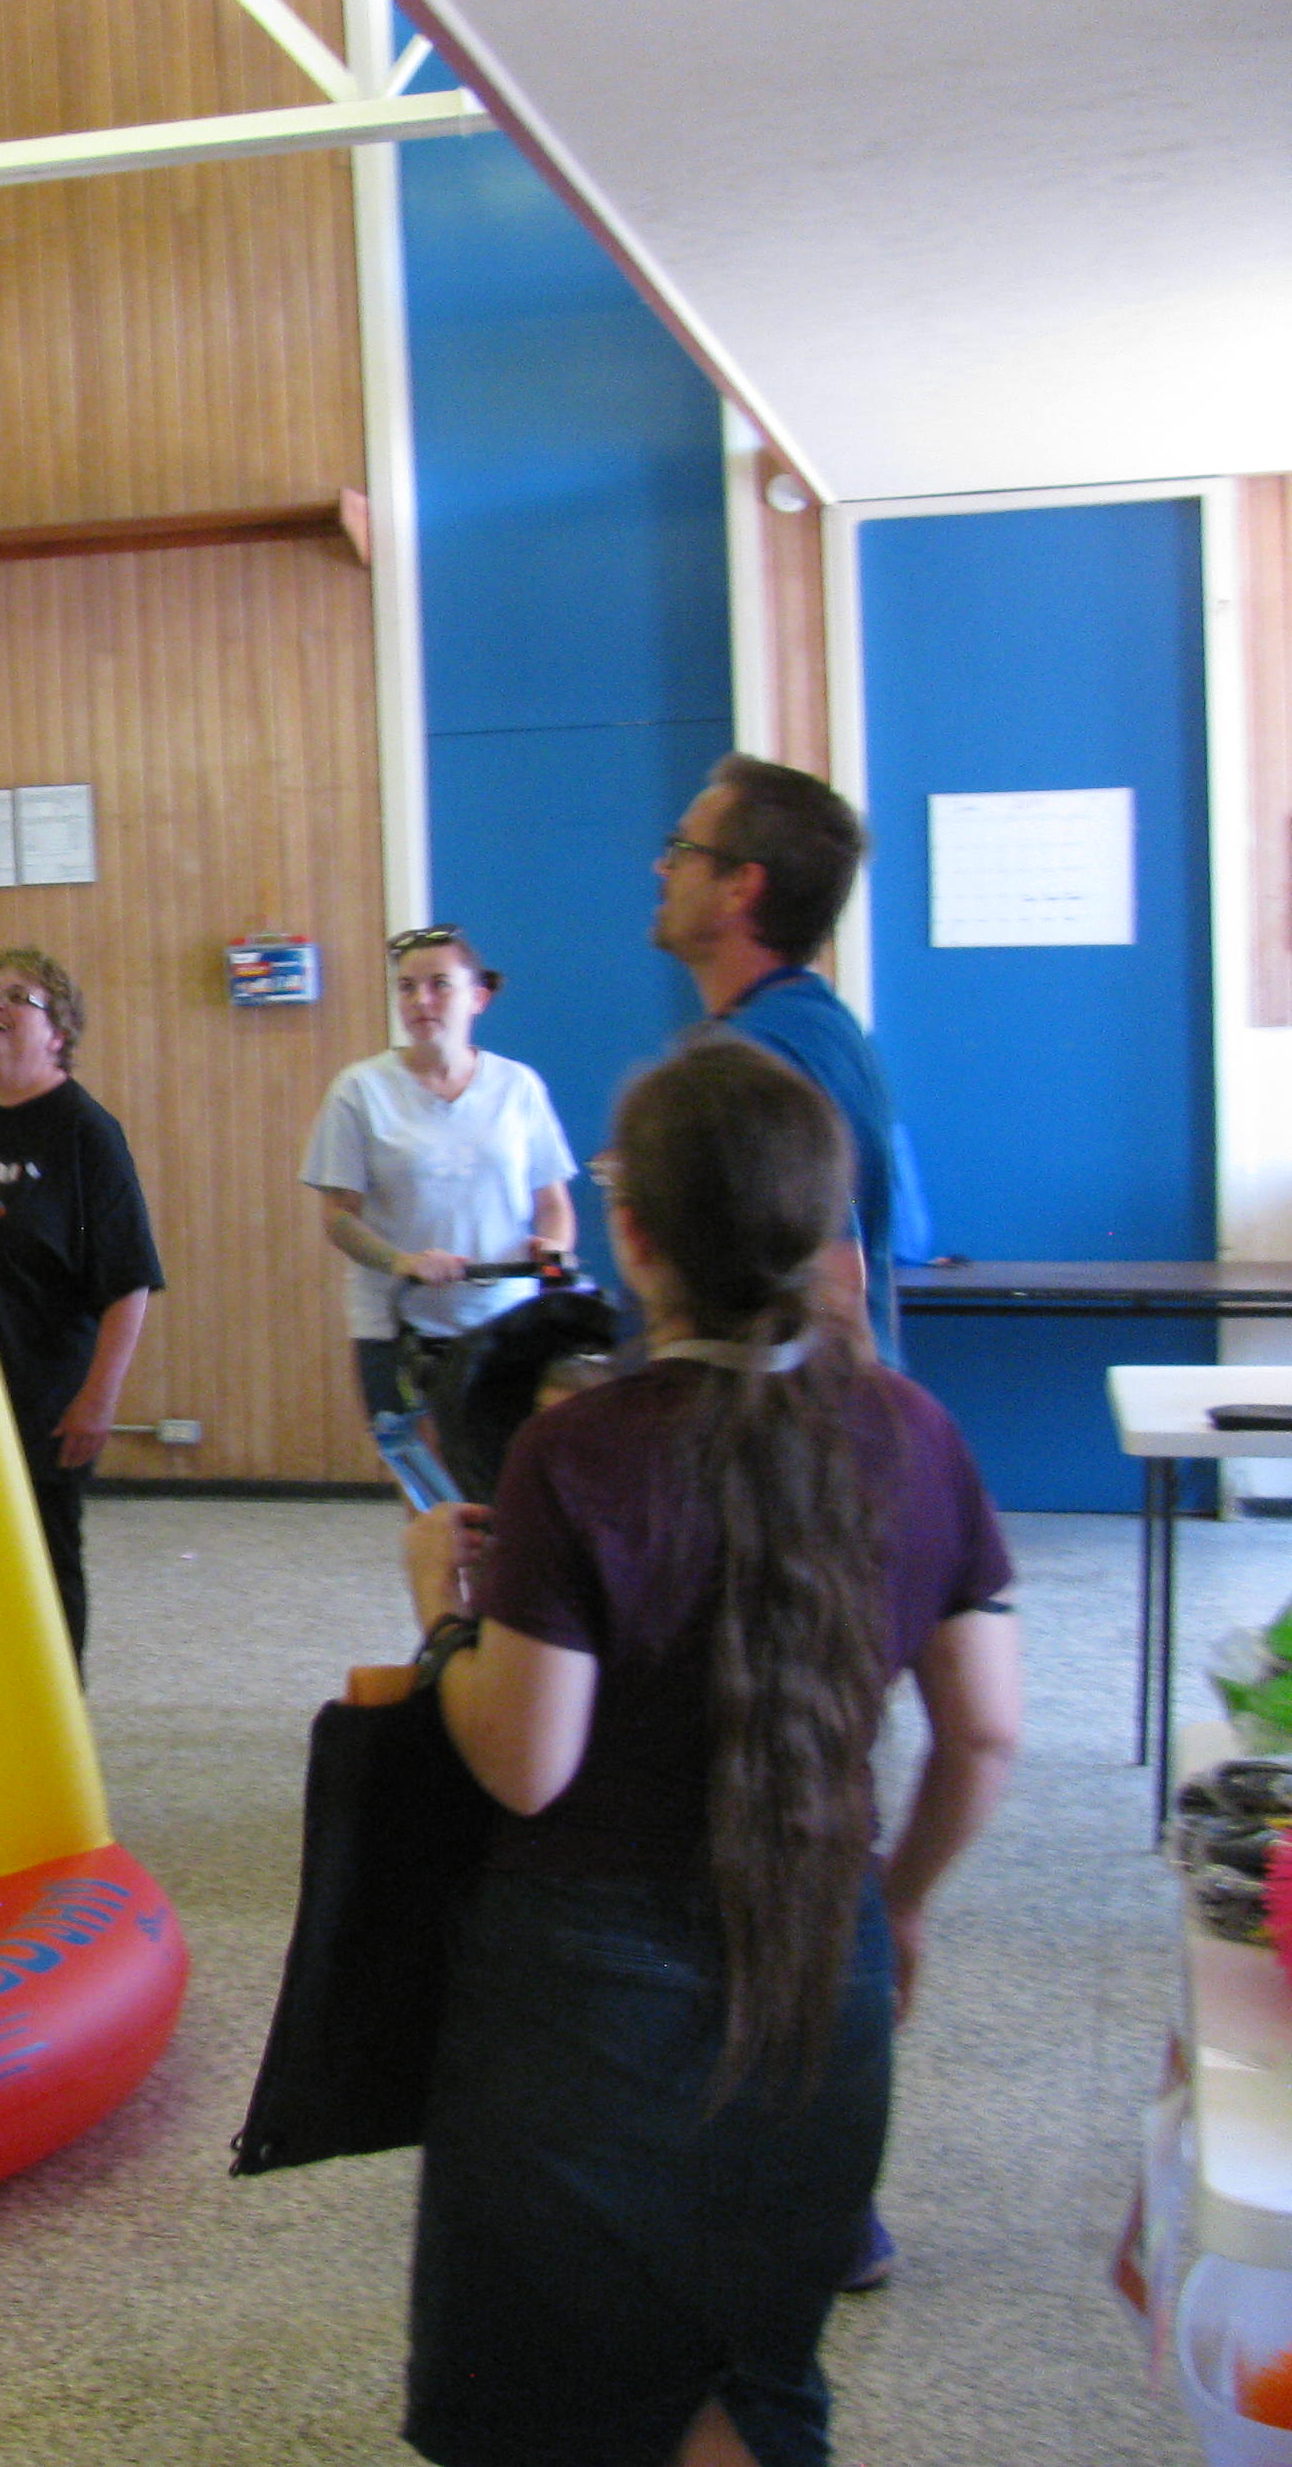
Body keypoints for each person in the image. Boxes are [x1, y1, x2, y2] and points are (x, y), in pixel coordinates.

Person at [396, 1039, 1020, 2467]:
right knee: (750, 2361)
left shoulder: (580, 1452)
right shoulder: (914, 1431)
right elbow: (986, 1731)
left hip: (588, 1988)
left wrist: (445, 1611)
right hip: (820, 1949)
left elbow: (526, 1760)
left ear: (635, 1234)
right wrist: (903, 1902)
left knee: (563, 2384)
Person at [0, 948, 162, 1682]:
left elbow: (129, 1281)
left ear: (59, 1032)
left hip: (46, 1388)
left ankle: (53, 1728)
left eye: (19, 996)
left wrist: (99, 1399)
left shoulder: (86, 1132)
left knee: (41, 1563)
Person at [652, 754, 920, 1363]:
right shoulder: (825, 1027)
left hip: (798, 1411)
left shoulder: (749, 1061)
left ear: (740, 887)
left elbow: (834, 1283)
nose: (661, 868)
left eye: (681, 849)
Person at [301, 926, 578, 1423]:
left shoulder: (518, 1087)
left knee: (507, 1461)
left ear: (478, 998)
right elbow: (338, 1218)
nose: (420, 1000)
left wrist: (553, 1249)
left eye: (439, 985)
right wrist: (402, 1262)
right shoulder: (359, 1090)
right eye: (407, 987)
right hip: (398, 1326)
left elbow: (553, 1203)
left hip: (505, 1321)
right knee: (420, 1466)